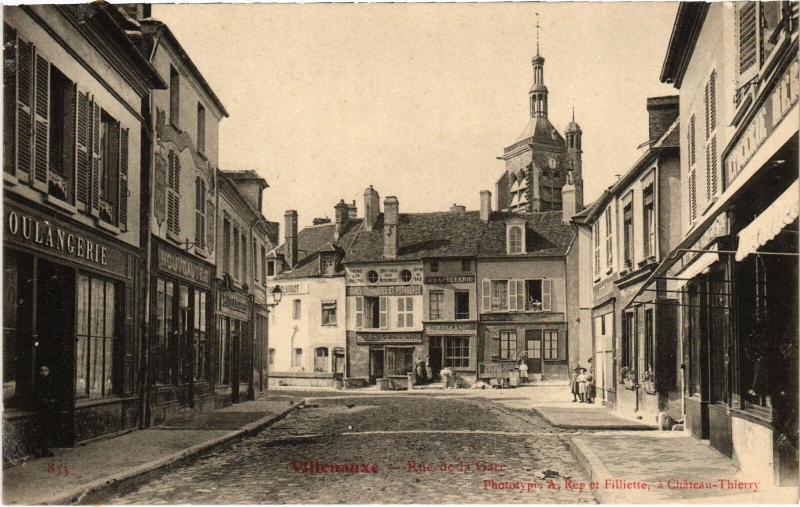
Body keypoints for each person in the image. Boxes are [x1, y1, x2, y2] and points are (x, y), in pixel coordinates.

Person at [33, 364, 56, 457]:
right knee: (42, 428)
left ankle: (45, 449)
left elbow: (54, 393)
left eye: (45, 370)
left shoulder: (51, 381)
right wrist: (45, 401)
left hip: (49, 409)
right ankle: (40, 449)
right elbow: (38, 395)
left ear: (48, 372)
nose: (43, 372)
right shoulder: (37, 382)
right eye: (41, 370)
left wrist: (52, 400)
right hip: (41, 409)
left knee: (48, 428)